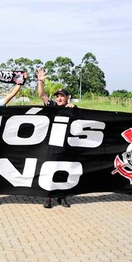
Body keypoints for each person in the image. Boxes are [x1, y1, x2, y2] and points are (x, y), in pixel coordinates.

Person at [37, 68, 74, 209]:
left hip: (67, 144)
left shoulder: (73, 109)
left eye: (62, 96)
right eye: (57, 96)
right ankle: (48, 197)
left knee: (64, 170)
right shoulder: (51, 106)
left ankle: (61, 196)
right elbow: (42, 95)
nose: (59, 98)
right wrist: (40, 81)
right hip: (52, 144)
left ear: (67, 97)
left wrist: (74, 108)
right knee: (50, 170)